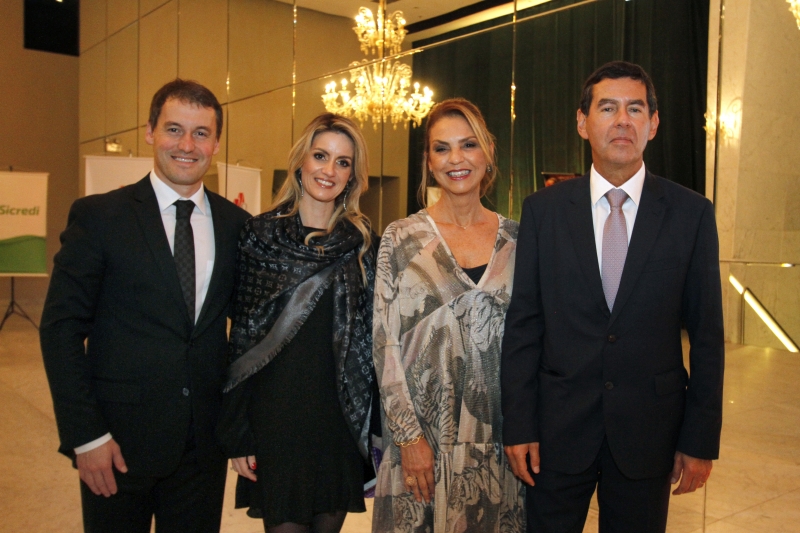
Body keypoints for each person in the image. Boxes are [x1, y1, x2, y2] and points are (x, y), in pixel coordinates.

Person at [501, 61, 725, 533]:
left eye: (635, 108)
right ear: (583, 123)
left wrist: (701, 439)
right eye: (608, 107)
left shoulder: (691, 215)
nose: (622, 120)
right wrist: (519, 424)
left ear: (653, 123)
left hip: (649, 434)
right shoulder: (543, 211)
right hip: (556, 432)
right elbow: (525, 323)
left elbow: (707, 335)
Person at [40, 79, 250, 532]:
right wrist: (86, 436)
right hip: (116, 447)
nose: (187, 145)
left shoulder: (238, 226)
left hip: (202, 449)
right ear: (150, 131)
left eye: (200, 133)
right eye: (174, 129)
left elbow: (251, 333)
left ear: (216, 142)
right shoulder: (99, 217)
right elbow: (60, 329)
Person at [217, 113, 377, 533]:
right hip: (276, 420)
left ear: (352, 176)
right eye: (320, 156)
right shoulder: (259, 236)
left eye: (343, 162)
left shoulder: (362, 244)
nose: (329, 170)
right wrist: (238, 432)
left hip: (339, 418)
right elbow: (243, 343)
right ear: (300, 163)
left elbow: (373, 339)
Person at [372, 98, 525, 533]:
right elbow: (385, 347)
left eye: (468, 145)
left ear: (488, 153)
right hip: (423, 448)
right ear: (429, 160)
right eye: (442, 148)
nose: (456, 159)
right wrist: (408, 438)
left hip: (500, 449)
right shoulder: (401, 239)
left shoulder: (518, 239)